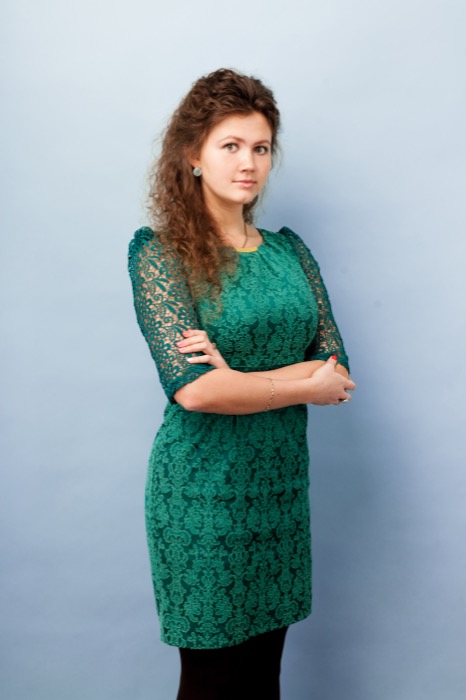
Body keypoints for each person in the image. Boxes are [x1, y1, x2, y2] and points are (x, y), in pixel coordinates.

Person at [128, 68, 355, 700]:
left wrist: (238, 377)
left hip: (279, 491)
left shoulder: (290, 252)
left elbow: (336, 371)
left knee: (263, 678)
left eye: (260, 147)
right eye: (230, 145)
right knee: (212, 682)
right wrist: (298, 382)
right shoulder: (160, 254)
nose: (248, 162)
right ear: (193, 155)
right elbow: (196, 392)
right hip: (203, 493)